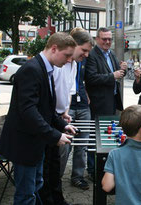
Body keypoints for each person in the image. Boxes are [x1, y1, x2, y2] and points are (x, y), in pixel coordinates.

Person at [0, 32, 77, 205]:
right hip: (24, 144)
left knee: (36, 185)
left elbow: (46, 108)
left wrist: (62, 125)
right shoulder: (32, 69)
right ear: (54, 48)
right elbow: (28, 111)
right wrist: (54, 135)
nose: (70, 60)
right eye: (68, 55)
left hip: (35, 142)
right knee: (26, 194)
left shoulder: (45, 68)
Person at [52, 28, 93, 191]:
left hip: (70, 110)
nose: (87, 55)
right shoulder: (57, 63)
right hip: (51, 118)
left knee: (81, 145)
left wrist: (65, 112)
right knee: (61, 151)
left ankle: (65, 182)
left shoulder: (75, 64)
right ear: (73, 44)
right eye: (84, 50)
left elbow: (69, 90)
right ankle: (55, 184)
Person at [84, 27, 127, 179]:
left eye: (109, 39)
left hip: (112, 101)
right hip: (98, 103)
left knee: (108, 136)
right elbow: (91, 78)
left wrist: (122, 70)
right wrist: (112, 75)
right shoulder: (92, 55)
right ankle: (93, 170)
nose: (107, 42)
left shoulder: (111, 53)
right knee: (95, 137)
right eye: (104, 39)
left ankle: (105, 169)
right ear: (97, 39)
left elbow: (117, 74)